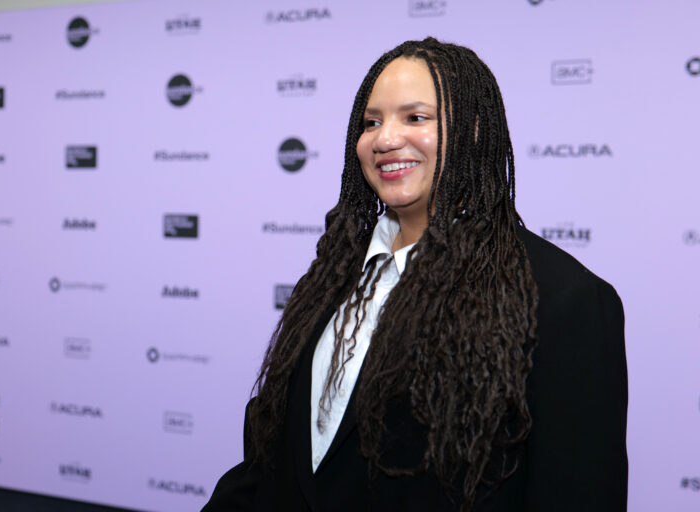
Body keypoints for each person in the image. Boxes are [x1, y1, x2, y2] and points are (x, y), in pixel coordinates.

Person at [203, 38, 627, 511]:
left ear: (472, 130)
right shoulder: (334, 275)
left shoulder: (564, 300)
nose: (384, 139)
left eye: (415, 117)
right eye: (371, 122)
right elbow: (272, 460)